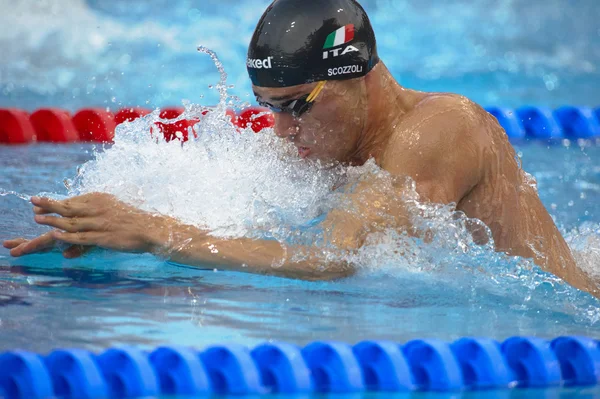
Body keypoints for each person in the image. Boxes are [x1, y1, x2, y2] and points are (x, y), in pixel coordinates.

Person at [3, 0, 597, 296]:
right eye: (268, 106)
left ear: (360, 77)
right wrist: (106, 222)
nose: (281, 131)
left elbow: (333, 259)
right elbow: (234, 213)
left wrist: (156, 231)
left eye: (297, 105)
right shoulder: (324, 136)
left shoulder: (439, 130)